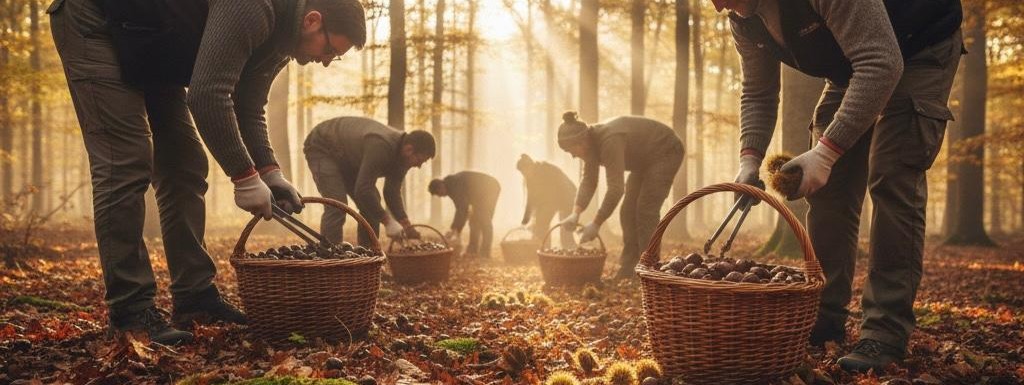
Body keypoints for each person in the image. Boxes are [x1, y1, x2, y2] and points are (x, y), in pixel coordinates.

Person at [49, 0, 367, 345]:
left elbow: (248, 106)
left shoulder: (284, 41)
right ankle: (131, 312)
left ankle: (194, 297)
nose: (325, 61)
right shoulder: (255, 7)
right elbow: (207, 96)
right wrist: (245, 178)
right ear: (312, 21)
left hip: (151, 41)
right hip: (95, 18)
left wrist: (270, 172)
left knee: (185, 165)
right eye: (330, 50)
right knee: (125, 162)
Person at [717, 0, 963, 372]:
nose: (718, 7)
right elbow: (758, 92)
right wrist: (749, 161)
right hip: (853, 66)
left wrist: (826, 153)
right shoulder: (743, 20)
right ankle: (822, 317)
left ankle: (884, 332)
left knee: (892, 175)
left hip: (919, 46)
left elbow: (883, 63)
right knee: (827, 190)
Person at [556, 112, 684, 279]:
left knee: (645, 210)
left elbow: (616, 189)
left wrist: (596, 223)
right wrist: (575, 214)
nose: (573, 156)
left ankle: (649, 271)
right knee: (627, 212)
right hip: (644, 161)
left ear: (582, 140)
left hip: (666, 150)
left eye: (571, 150)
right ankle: (629, 268)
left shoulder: (609, 140)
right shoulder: (590, 148)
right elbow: (588, 181)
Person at [304, 117, 434, 246]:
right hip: (322, 146)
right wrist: (388, 221)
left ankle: (368, 253)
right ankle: (330, 254)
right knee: (337, 205)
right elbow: (363, 190)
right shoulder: (381, 146)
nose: (419, 166)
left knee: (372, 202)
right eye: (419, 160)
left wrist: (406, 225)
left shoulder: (403, 159)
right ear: (409, 149)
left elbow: (392, 192)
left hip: (347, 159)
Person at [428, 172, 501, 259]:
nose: (440, 196)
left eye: (438, 193)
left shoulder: (454, 185)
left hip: (490, 188)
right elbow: (460, 208)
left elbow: (462, 209)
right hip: (479, 194)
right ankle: (472, 250)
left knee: (484, 219)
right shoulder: (450, 186)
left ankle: (485, 253)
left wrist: (455, 229)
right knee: (474, 221)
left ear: (440, 186)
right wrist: (455, 228)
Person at [516, 154, 577, 249]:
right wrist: (526, 219)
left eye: (524, 171)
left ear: (530, 166)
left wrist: (537, 217)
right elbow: (531, 199)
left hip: (568, 196)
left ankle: (569, 249)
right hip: (553, 199)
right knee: (541, 224)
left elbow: (549, 199)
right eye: (522, 173)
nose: (524, 175)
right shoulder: (529, 178)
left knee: (565, 227)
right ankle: (544, 248)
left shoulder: (545, 170)